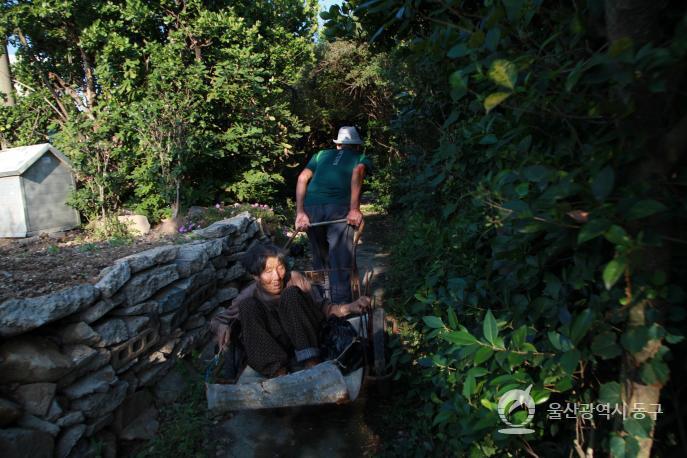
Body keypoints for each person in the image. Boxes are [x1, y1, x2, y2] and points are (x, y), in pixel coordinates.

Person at [213, 243, 371, 378]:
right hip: (276, 345)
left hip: (308, 336)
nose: (276, 277)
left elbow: (324, 307)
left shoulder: (294, 279)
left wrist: (350, 307)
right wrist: (221, 326)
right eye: (268, 272)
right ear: (255, 276)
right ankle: (278, 373)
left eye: (280, 268)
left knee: (290, 294)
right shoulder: (250, 294)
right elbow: (218, 320)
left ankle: (311, 363)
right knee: (247, 306)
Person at [295, 126, 372, 304]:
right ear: (356, 146)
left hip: (312, 209)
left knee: (319, 260)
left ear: (338, 145)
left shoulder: (320, 155)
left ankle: (321, 304)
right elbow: (358, 171)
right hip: (338, 208)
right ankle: (341, 311)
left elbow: (302, 177)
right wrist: (354, 209)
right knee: (340, 262)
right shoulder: (359, 157)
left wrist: (300, 212)